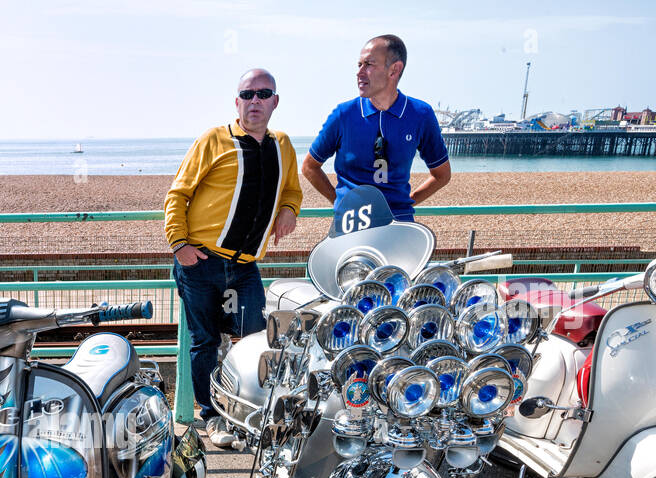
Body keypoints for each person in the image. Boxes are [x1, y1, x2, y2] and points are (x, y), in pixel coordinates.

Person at [164, 68, 302, 428]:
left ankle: (243, 411)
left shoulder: (282, 145)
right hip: (201, 262)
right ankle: (212, 416)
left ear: (275, 101)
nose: (254, 101)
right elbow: (178, 194)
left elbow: (290, 189)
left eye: (262, 93)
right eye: (247, 94)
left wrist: (288, 210)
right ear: (236, 101)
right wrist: (180, 245)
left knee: (252, 336)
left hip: (244, 268)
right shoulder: (214, 139)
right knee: (205, 342)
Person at [302, 35, 450, 222]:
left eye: (369, 64)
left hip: (399, 227)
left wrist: (406, 203)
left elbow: (442, 175)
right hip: (350, 228)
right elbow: (309, 166)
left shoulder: (420, 114)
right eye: (359, 65)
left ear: (394, 69)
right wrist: (341, 204)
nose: (360, 72)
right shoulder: (343, 114)